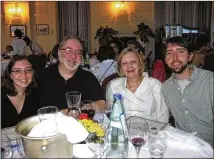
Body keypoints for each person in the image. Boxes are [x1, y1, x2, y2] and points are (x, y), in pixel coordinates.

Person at [162, 36, 213, 147]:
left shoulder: (209, 81)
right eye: (169, 53)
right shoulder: (165, 88)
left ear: (190, 56)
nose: (174, 58)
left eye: (180, 51)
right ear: (166, 60)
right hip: (184, 146)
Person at [38, 36, 105, 110]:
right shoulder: (42, 76)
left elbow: (102, 104)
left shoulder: (88, 77)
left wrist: (78, 109)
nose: (73, 56)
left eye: (78, 52)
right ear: (59, 52)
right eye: (69, 50)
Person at [106, 47, 169, 123]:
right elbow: (109, 114)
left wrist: (156, 133)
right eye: (124, 63)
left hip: (150, 132)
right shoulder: (113, 86)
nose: (129, 66)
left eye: (133, 62)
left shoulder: (155, 85)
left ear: (140, 65)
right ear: (121, 68)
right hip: (124, 132)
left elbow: (163, 115)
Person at [1, 56, 40, 128]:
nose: (24, 75)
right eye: (17, 71)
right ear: (10, 75)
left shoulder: (35, 94)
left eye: (28, 70)